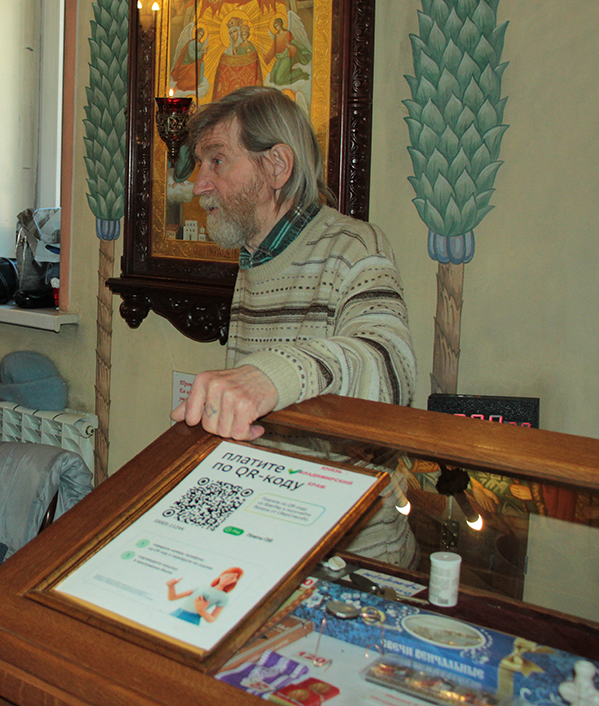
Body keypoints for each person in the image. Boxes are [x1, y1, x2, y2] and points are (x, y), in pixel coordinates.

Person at [170, 87, 417, 566]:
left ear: (277, 166)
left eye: (217, 161)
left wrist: (271, 375)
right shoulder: (256, 257)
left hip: (354, 557)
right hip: (275, 540)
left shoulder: (355, 245)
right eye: (201, 165)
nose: (199, 185)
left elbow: (391, 367)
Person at [166, 567, 243, 624]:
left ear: (235, 581)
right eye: (227, 576)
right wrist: (171, 586)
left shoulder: (224, 597)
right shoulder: (203, 587)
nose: (228, 579)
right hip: (176, 612)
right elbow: (173, 598)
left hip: (191, 619)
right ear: (221, 575)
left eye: (232, 578)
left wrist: (202, 610)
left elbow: (212, 619)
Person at [212, 15, 263, 99]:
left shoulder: (250, 49)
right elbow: (221, 80)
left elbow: (254, 73)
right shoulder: (226, 53)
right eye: (231, 33)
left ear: (239, 32)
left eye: (234, 31)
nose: (233, 35)